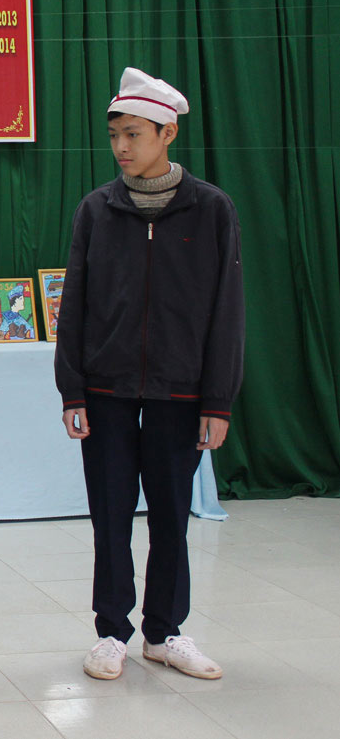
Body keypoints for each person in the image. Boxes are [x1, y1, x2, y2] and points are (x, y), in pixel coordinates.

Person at [56, 67, 243, 681]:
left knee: (170, 518)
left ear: (168, 133)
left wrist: (217, 401)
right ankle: (112, 631)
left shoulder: (211, 210)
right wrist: (72, 390)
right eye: (114, 135)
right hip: (105, 392)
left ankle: (164, 633)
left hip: (180, 392)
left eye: (133, 134)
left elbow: (227, 311)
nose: (121, 146)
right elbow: (75, 306)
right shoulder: (96, 210)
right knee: (110, 517)